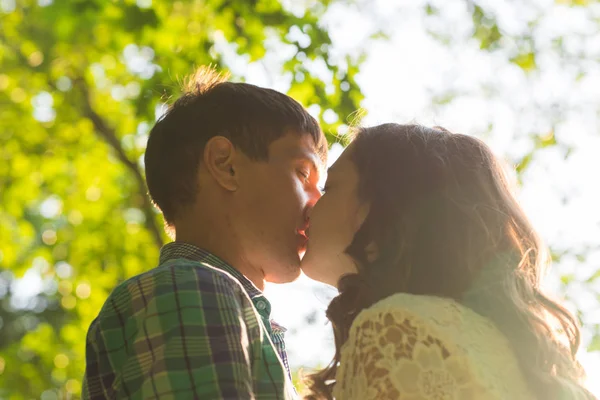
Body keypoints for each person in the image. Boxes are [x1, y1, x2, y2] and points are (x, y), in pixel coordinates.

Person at [82, 67, 327, 399]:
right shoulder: (194, 288)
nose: (319, 204)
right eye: (302, 173)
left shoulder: (218, 301)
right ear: (226, 165)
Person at [301, 123, 595, 399]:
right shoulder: (507, 346)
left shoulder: (398, 328)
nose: (310, 204)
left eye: (329, 188)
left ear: (383, 213)